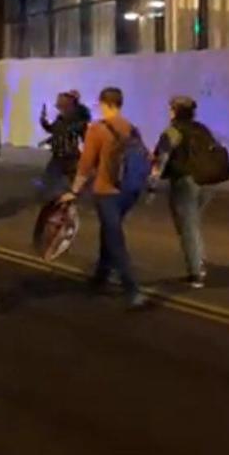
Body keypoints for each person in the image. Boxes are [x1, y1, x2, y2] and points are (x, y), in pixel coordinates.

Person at [60, 87, 148, 309]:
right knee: (109, 230)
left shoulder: (97, 129)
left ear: (104, 104)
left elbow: (86, 164)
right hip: (129, 191)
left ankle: (132, 289)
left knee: (114, 237)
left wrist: (74, 191)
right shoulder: (132, 129)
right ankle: (100, 276)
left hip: (106, 191)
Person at [151, 96, 212, 288]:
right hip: (207, 182)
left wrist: (152, 185)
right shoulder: (202, 129)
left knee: (187, 228)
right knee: (193, 224)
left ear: (175, 111)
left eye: (171, 108)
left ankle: (196, 273)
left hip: (185, 183)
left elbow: (161, 159)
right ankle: (199, 262)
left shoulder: (172, 132)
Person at [39, 90, 90, 202]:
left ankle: (70, 197)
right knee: (52, 177)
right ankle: (58, 196)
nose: (58, 107)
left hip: (69, 155)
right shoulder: (62, 119)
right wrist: (43, 121)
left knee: (69, 178)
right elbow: (54, 130)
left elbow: (82, 134)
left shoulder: (75, 120)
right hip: (60, 154)